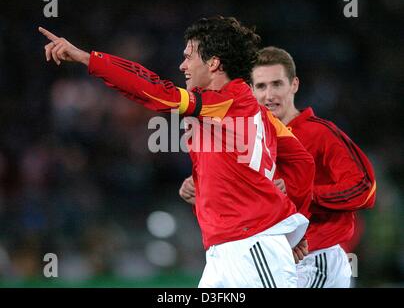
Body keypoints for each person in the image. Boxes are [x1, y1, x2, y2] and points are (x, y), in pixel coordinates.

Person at [39, 17, 315, 288]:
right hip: (227, 250)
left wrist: (89, 59)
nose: (182, 65)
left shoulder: (223, 102)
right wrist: (207, 182)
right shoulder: (257, 114)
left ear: (214, 63)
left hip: (253, 248)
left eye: (188, 57)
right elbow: (302, 161)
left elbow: (157, 93)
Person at [180, 46, 377, 288]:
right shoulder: (247, 136)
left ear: (294, 85)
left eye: (277, 84)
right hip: (263, 256)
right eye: (261, 86)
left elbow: (364, 188)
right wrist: (202, 192)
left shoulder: (320, 133)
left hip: (314, 259)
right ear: (249, 89)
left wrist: (304, 192)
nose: (269, 95)